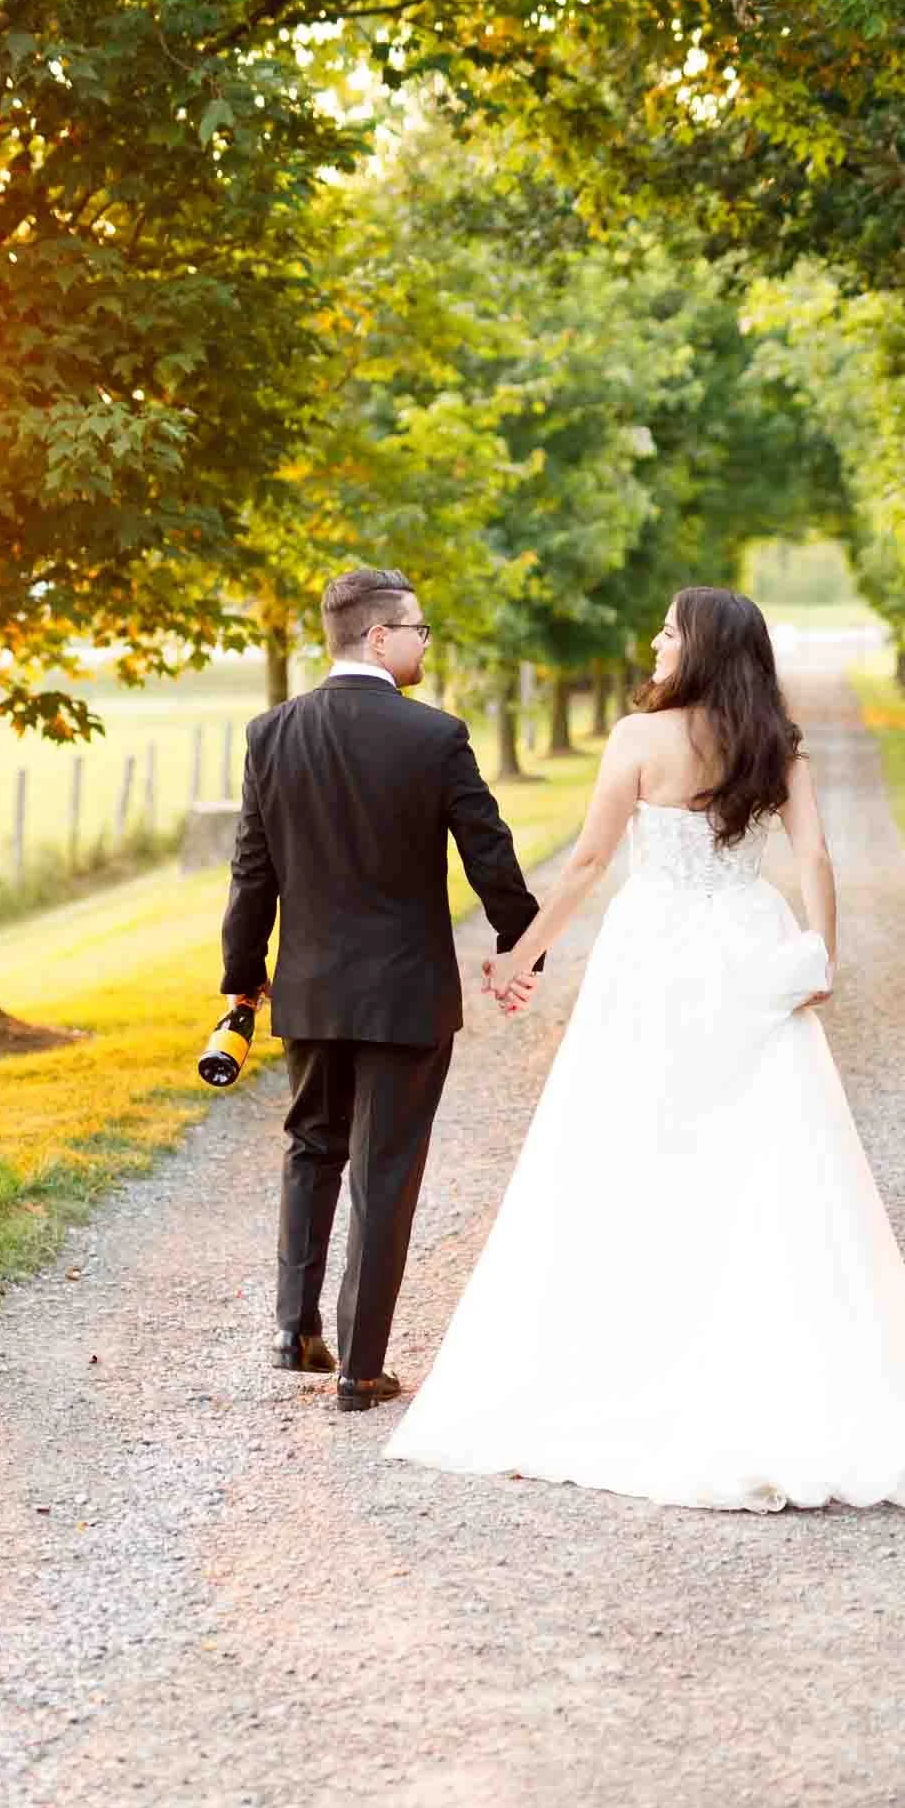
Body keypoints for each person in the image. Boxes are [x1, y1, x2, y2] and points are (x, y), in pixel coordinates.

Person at [385, 585, 905, 1512]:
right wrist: (820, 955)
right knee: (764, 1153)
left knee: (633, 1141)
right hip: (749, 945)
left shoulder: (639, 741)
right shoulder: (776, 745)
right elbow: (816, 859)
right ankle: (771, 1372)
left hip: (655, 955)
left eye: (669, 630)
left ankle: (626, 1366)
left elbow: (588, 863)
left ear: (703, 647)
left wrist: (523, 956)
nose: (655, 640)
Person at [218, 566, 541, 1411]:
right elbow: (489, 853)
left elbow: (252, 873)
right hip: (406, 996)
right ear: (378, 637)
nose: (426, 643)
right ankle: (361, 1368)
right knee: (384, 1172)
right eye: (420, 630)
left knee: (313, 1145)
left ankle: (296, 1330)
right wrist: (522, 944)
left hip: (313, 991)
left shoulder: (270, 734)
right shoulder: (434, 738)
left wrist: (243, 978)